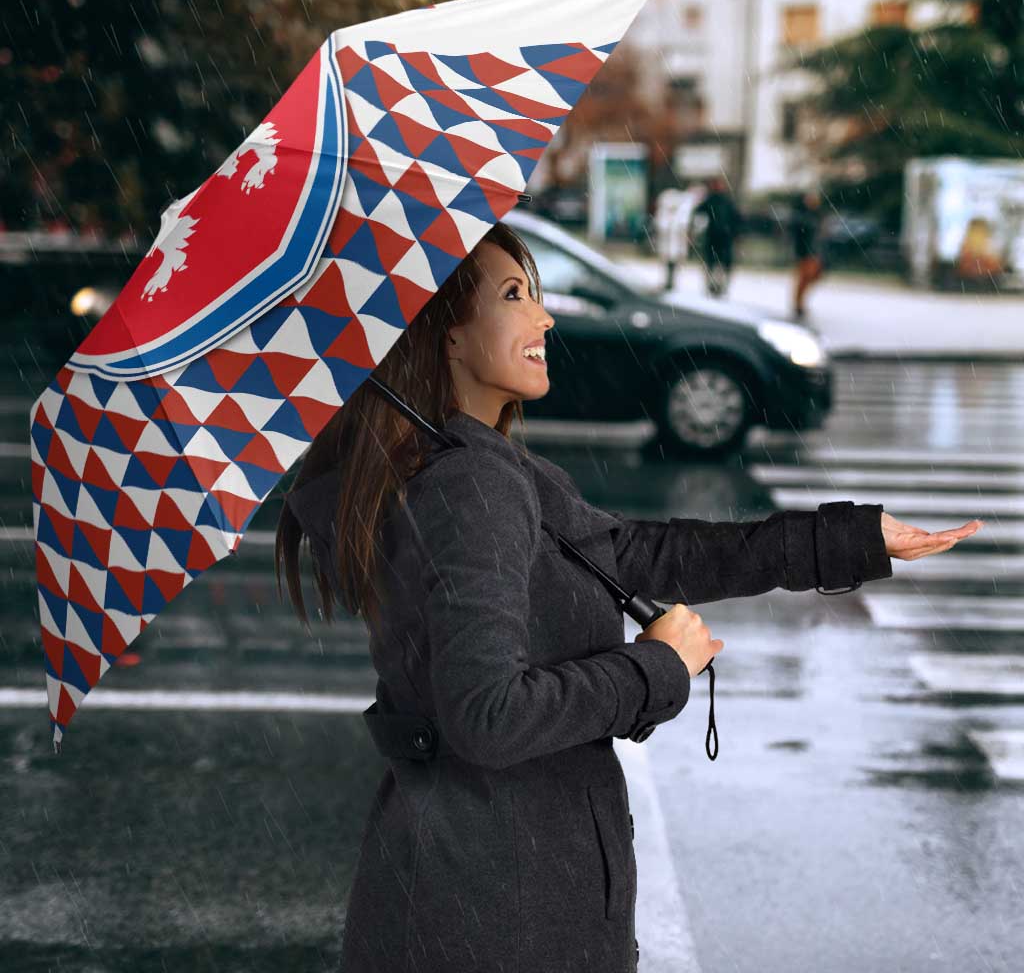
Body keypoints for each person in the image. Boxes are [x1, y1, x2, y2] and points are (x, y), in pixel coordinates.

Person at [276, 221, 982, 973]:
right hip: (497, 911)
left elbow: (644, 555)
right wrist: (655, 668)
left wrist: (849, 539)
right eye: (515, 295)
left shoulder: (479, 469)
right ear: (447, 337)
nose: (544, 317)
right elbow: (487, 716)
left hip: (478, 892)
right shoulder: (470, 485)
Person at [692, 175, 742, 298]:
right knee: (713, 263)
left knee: (720, 264)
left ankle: (719, 286)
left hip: (723, 237)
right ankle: (713, 286)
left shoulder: (725, 201)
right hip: (715, 237)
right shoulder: (712, 200)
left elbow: (736, 219)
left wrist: (735, 233)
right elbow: (698, 213)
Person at [790, 188, 826, 319]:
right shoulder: (802, 216)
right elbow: (799, 235)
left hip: (814, 252)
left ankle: (799, 303)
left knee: (812, 277)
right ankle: (798, 304)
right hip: (805, 252)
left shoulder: (817, 215)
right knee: (804, 278)